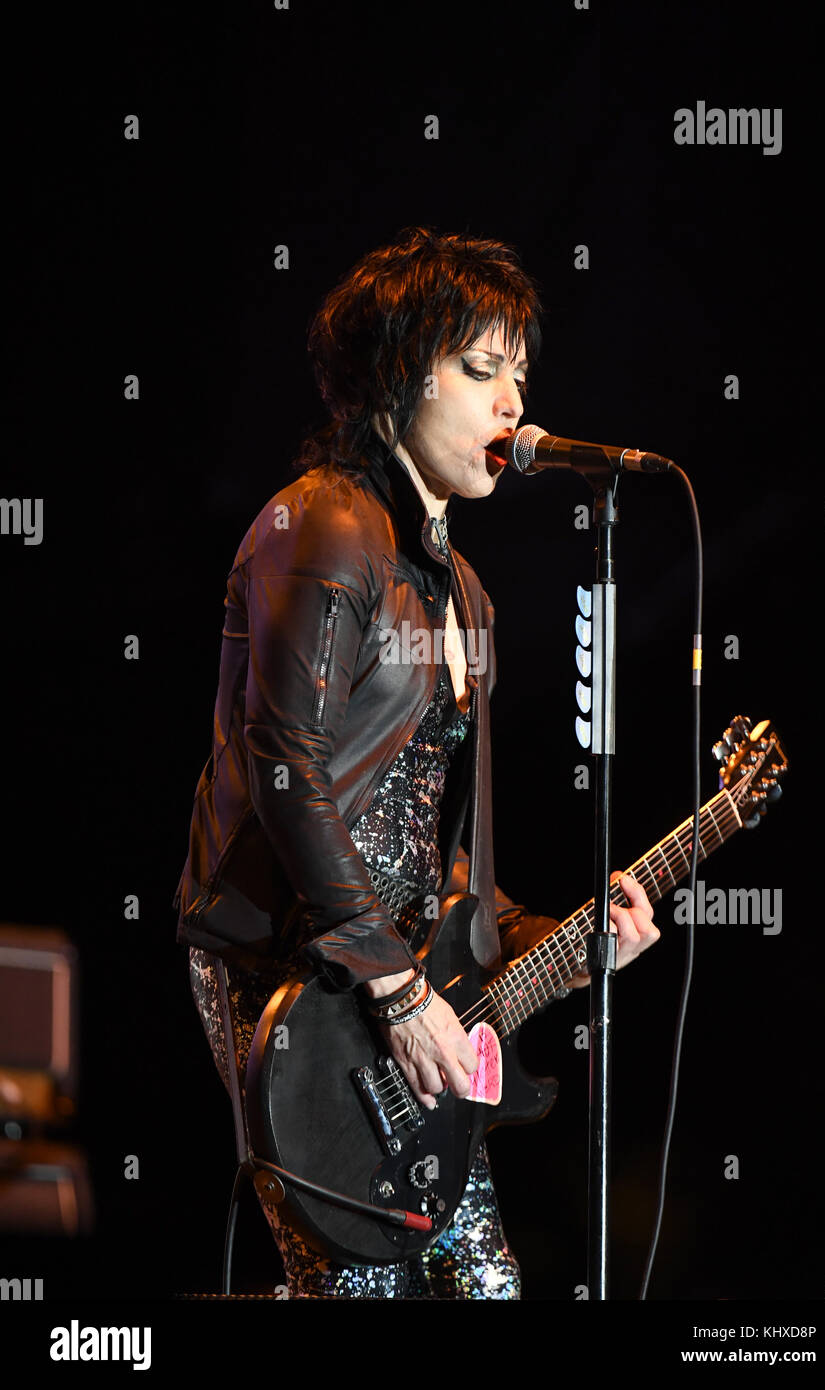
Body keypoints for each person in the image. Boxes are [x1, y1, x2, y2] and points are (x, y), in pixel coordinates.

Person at [173, 226, 659, 1298]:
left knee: (483, 1283)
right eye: (481, 369)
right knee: (352, 1283)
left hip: (396, 983)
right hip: (286, 971)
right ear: (398, 378)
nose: (509, 405)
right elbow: (284, 761)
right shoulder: (321, 528)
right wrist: (391, 984)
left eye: (518, 376)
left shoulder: (464, 592)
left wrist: (561, 941)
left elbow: (439, 856)